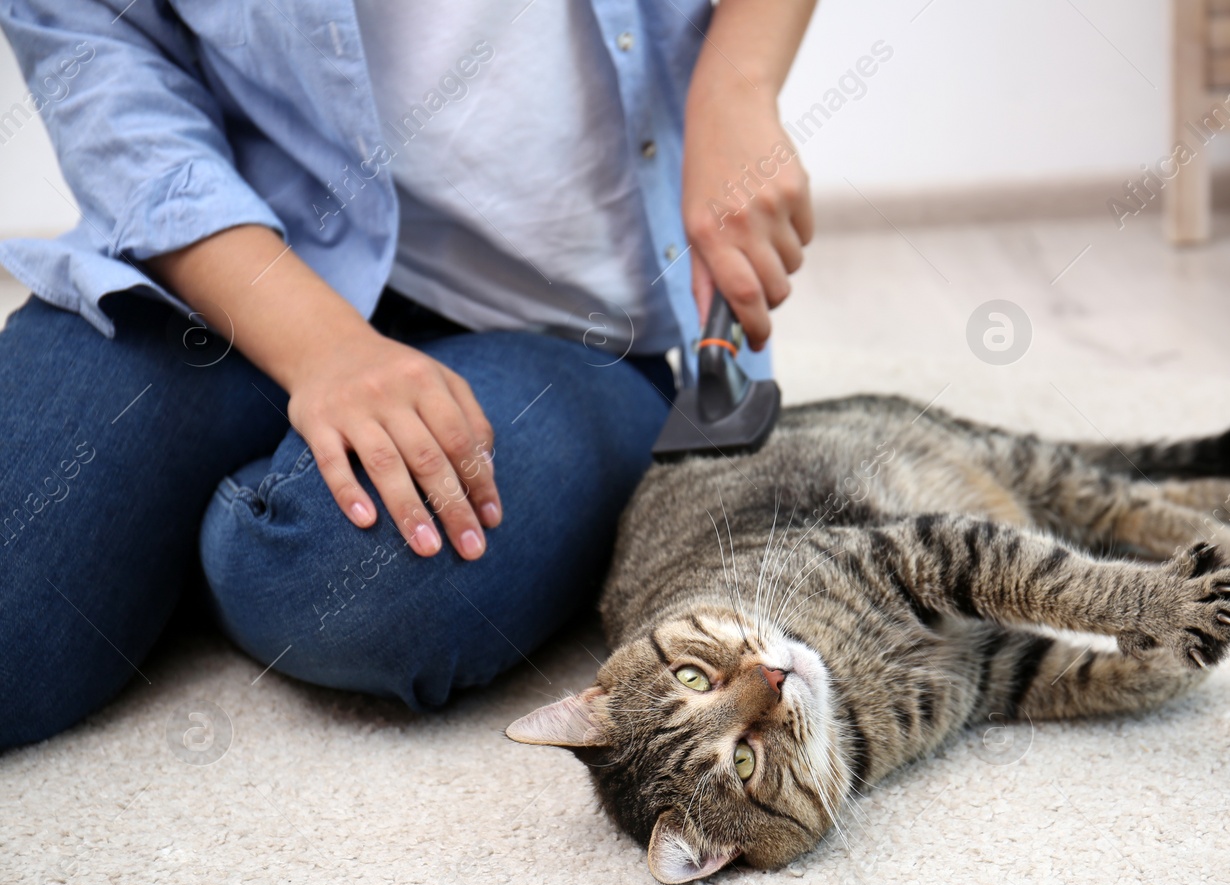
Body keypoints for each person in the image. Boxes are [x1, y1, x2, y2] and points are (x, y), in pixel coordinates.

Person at [0, 0, 817, 747]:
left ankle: (214, 530)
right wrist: (322, 348)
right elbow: (95, 46)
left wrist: (736, 82)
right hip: (242, 260)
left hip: (561, 318)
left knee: (322, 580)